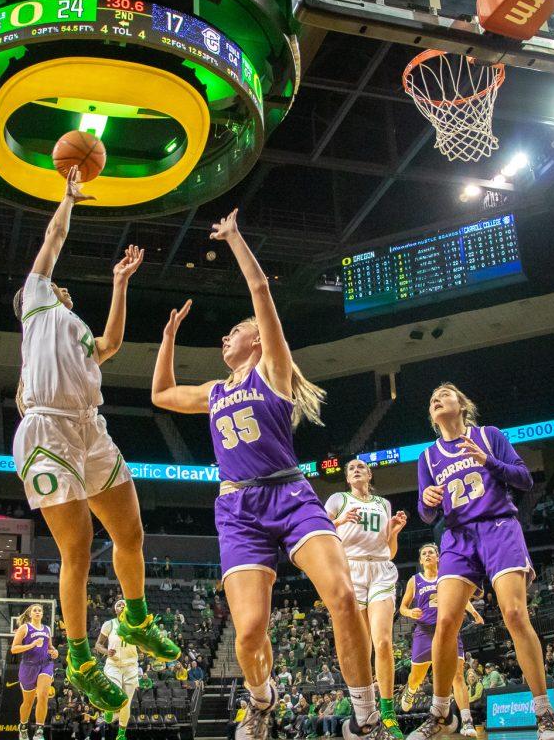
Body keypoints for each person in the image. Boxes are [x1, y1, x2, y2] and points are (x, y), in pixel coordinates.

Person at [151, 209, 384, 740]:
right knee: (249, 631)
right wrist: (167, 336)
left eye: (236, 330)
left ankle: (366, 717)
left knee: (344, 597)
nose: (226, 337)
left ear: (256, 339)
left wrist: (234, 238)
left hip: (290, 494)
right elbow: (162, 394)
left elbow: (260, 292)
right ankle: (261, 700)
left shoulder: (273, 371)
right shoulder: (214, 391)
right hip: (237, 509)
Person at [11, 169, 178, 711]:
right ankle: (82, 661)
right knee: (77, 547)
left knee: (130, 532)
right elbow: (53, 241)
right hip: (47, 430)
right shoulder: (36, 303)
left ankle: (136, 619)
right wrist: (67, 199)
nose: (57, 282)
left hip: (90, 428)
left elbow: (109, 344)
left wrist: (120, 284)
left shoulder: (75, 325)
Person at [411, 384, 554, 740]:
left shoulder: (488, 435)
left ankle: (544, 713)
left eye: (444, 394)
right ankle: (440, 712)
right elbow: (425, 514)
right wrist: (428, 500)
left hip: (498, 527)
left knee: (513, 614)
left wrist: (487, 461)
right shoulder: (428, 457)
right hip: (457, 537)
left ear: (462, 405)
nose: (436, 398)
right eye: (432, 397)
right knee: (446, 621)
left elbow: (524, 479)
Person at [325, 458, 409, 736]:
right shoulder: (339, 499)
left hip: (381, 569)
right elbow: (320, 533)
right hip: (351, 569)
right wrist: (339, 520)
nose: (356, 469)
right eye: (351, 468)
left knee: (383, 641)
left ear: (370, 474)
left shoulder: (383, 504)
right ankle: (366, 710)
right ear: (348, 478)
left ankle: (388, 713)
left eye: (361, 466)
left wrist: (394, 531)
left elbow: (390, 550)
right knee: (363, 649)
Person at [398, 544, 482, 737]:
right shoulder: (415, 580)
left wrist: (474, 612)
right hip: (424, 632)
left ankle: (467, 721)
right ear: (420, 560)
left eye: (431, 553)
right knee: (416, 677)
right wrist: (410, 612)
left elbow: (462, 598)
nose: (427, 555)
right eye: (424, 554)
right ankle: (410, 690)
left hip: (448, 630)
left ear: (438, 557)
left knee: (458, 676)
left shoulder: (446, 576)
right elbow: (402, 607)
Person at [94, 599, 141, 740]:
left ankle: (121, 734)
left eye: (124, 604)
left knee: (126, 701)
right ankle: (108, 709)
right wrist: (106, 651)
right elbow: (98, 645)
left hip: (131, 666)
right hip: (113, 665)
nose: (122, 606)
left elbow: (144, 644)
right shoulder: (109, 624)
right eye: (119, 604)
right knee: (116, 692)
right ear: (115, 609)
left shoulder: (136, 625)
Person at [11, 604, 58, 740]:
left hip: (45, 664)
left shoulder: (47, 629)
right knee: (28, 702)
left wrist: (54, 651)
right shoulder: (24, 628)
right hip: (28, 666)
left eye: (40, 610)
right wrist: (31, 645)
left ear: (42, 614)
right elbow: (14, 649)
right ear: (30, 614)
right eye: (35, 610)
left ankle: (39, 730)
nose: (37, 612)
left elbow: (49, 647)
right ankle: (23, 726)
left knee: (43, 695)